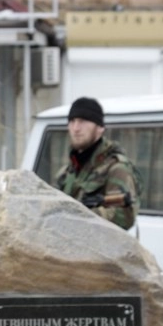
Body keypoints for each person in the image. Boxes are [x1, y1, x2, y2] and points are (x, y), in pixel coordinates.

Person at [55, 96, 141, 230]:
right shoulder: (66, 173)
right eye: (72, 121)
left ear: (100, 128)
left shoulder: (116, 168)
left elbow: (125, 217)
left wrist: (81, 216)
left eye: (83, 121)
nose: (76, 128)